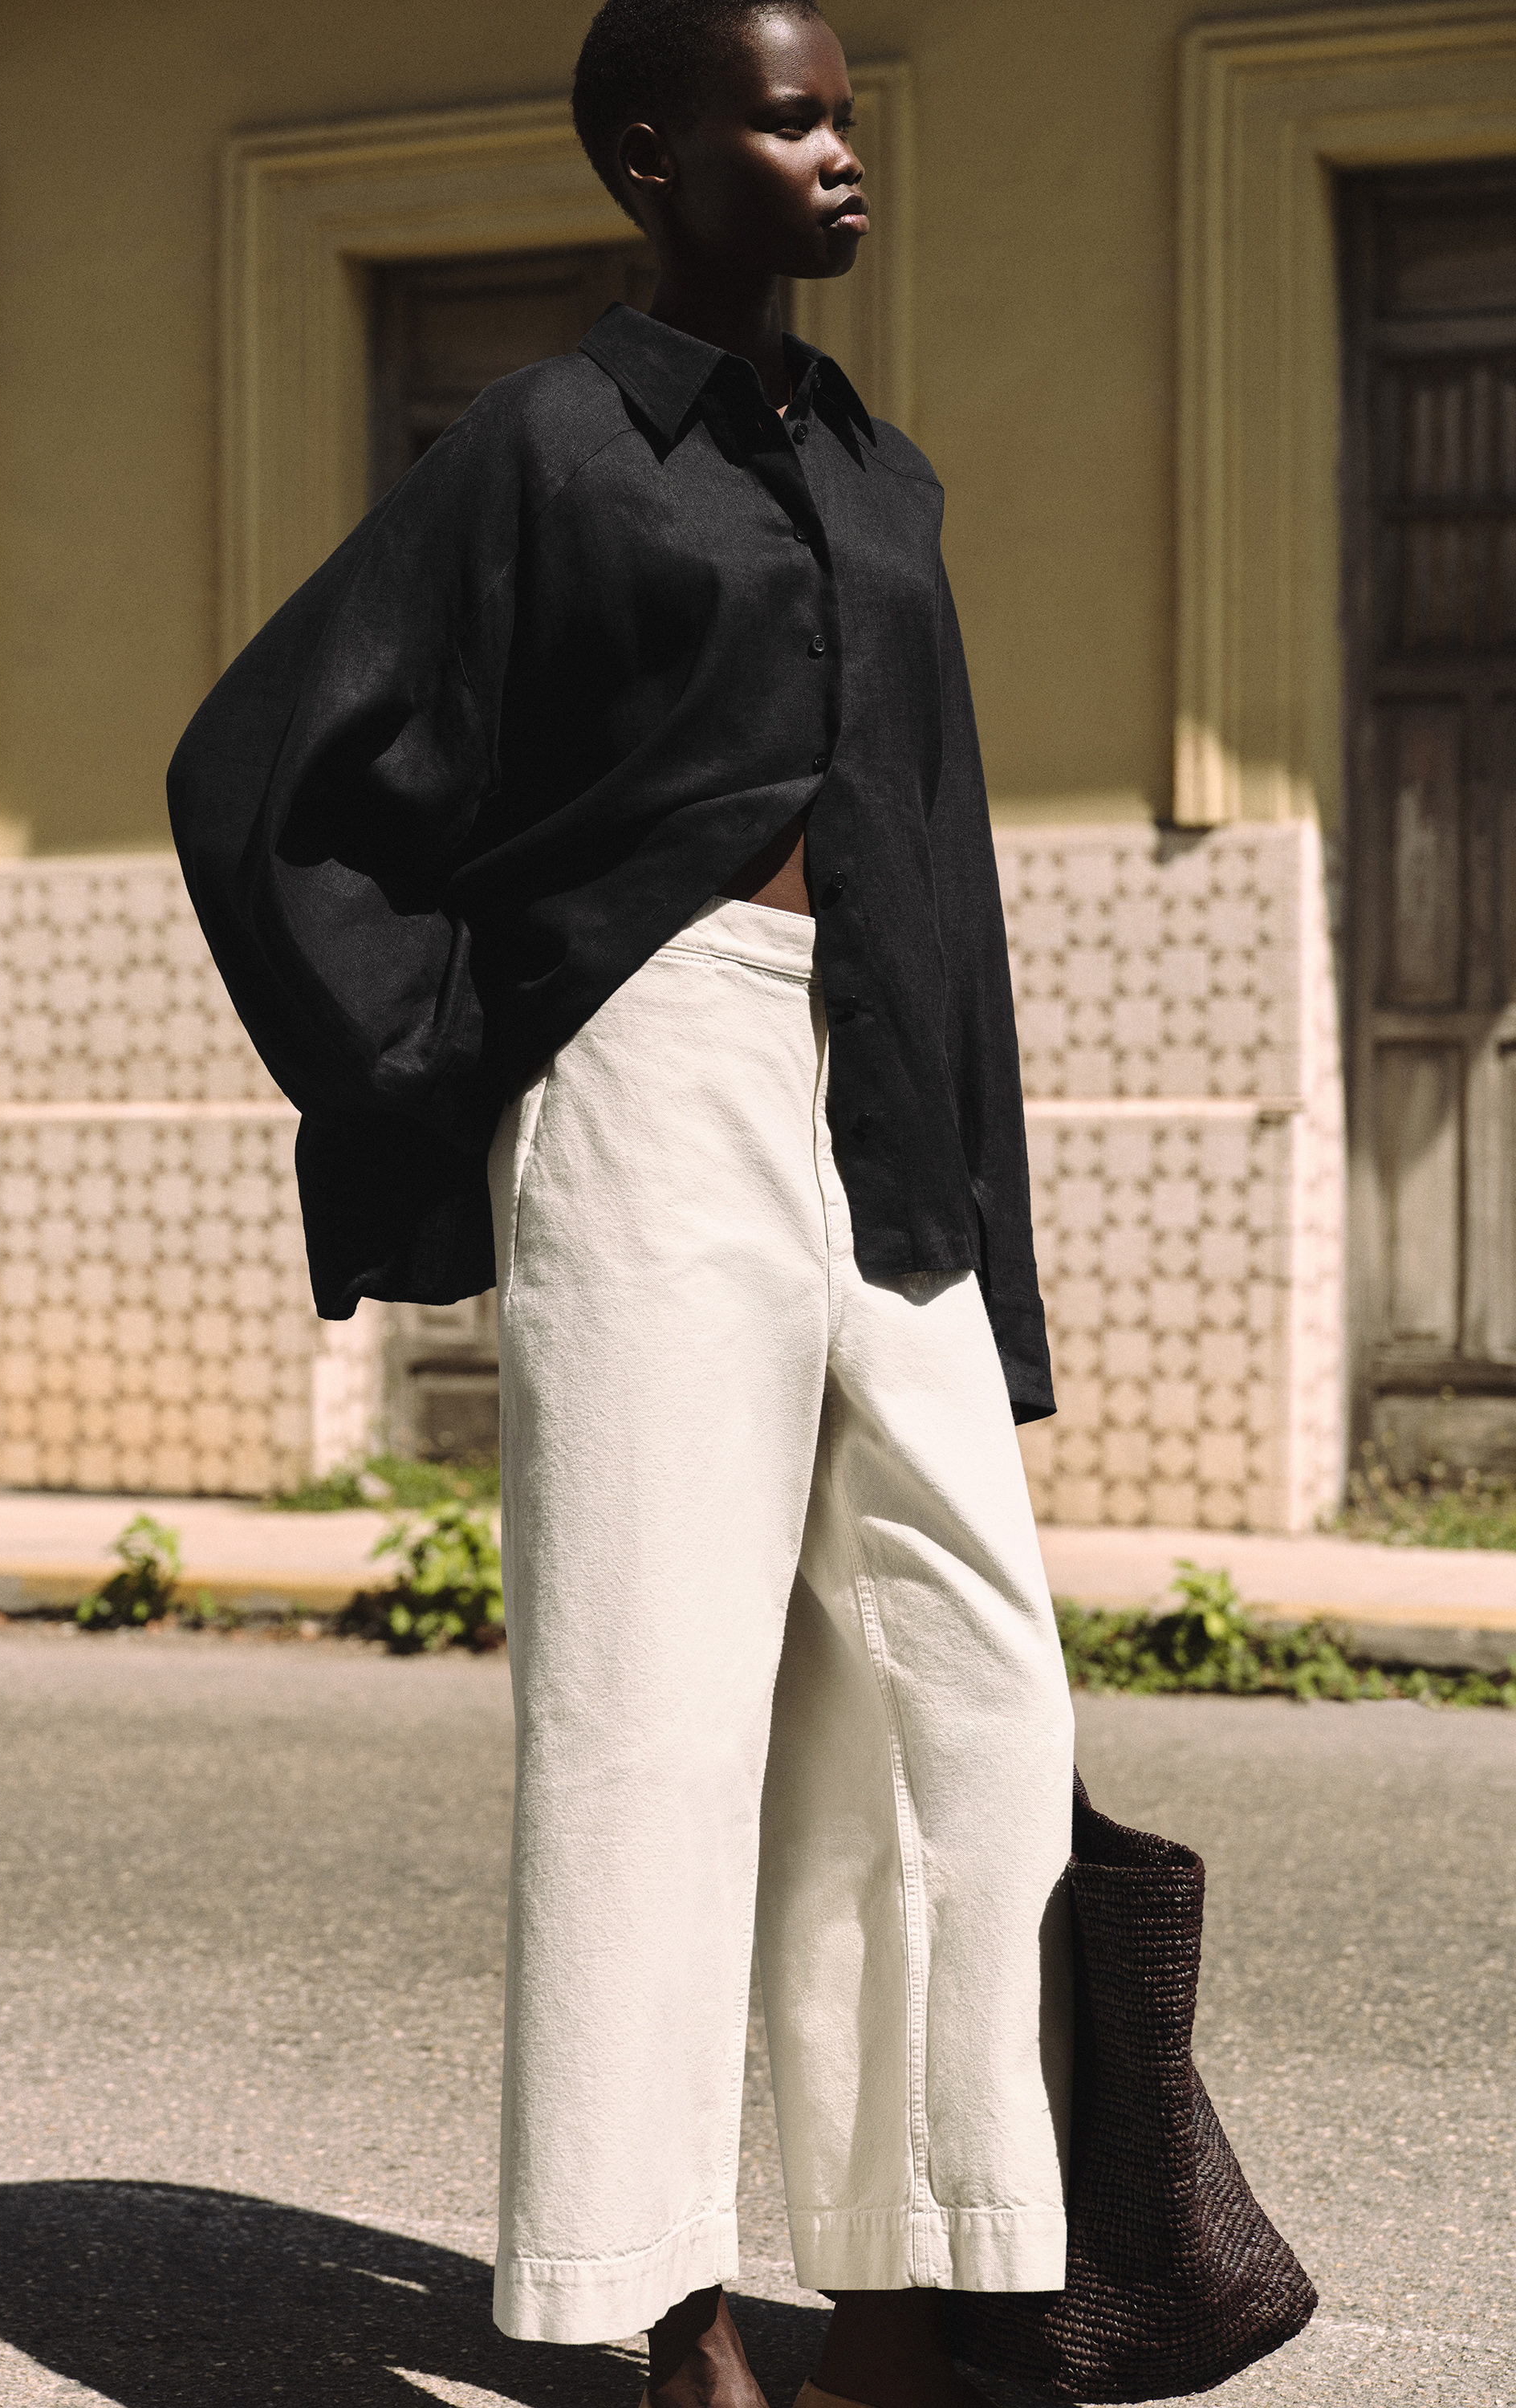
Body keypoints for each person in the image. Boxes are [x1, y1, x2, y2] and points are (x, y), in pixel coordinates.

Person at [168, 3, 1076, 2404]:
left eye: (846, 113)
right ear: (655, 154)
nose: (841, 150)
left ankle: (933, 2266)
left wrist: (993, 1235)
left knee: (971, 1694)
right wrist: (459, 1052)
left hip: (885, 1080)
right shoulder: (545, 448)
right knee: (652, 1717)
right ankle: (657, 2304)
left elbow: (950, 867)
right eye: (790, 117)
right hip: (655, 1077)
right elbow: (264, 768)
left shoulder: (879, 472)